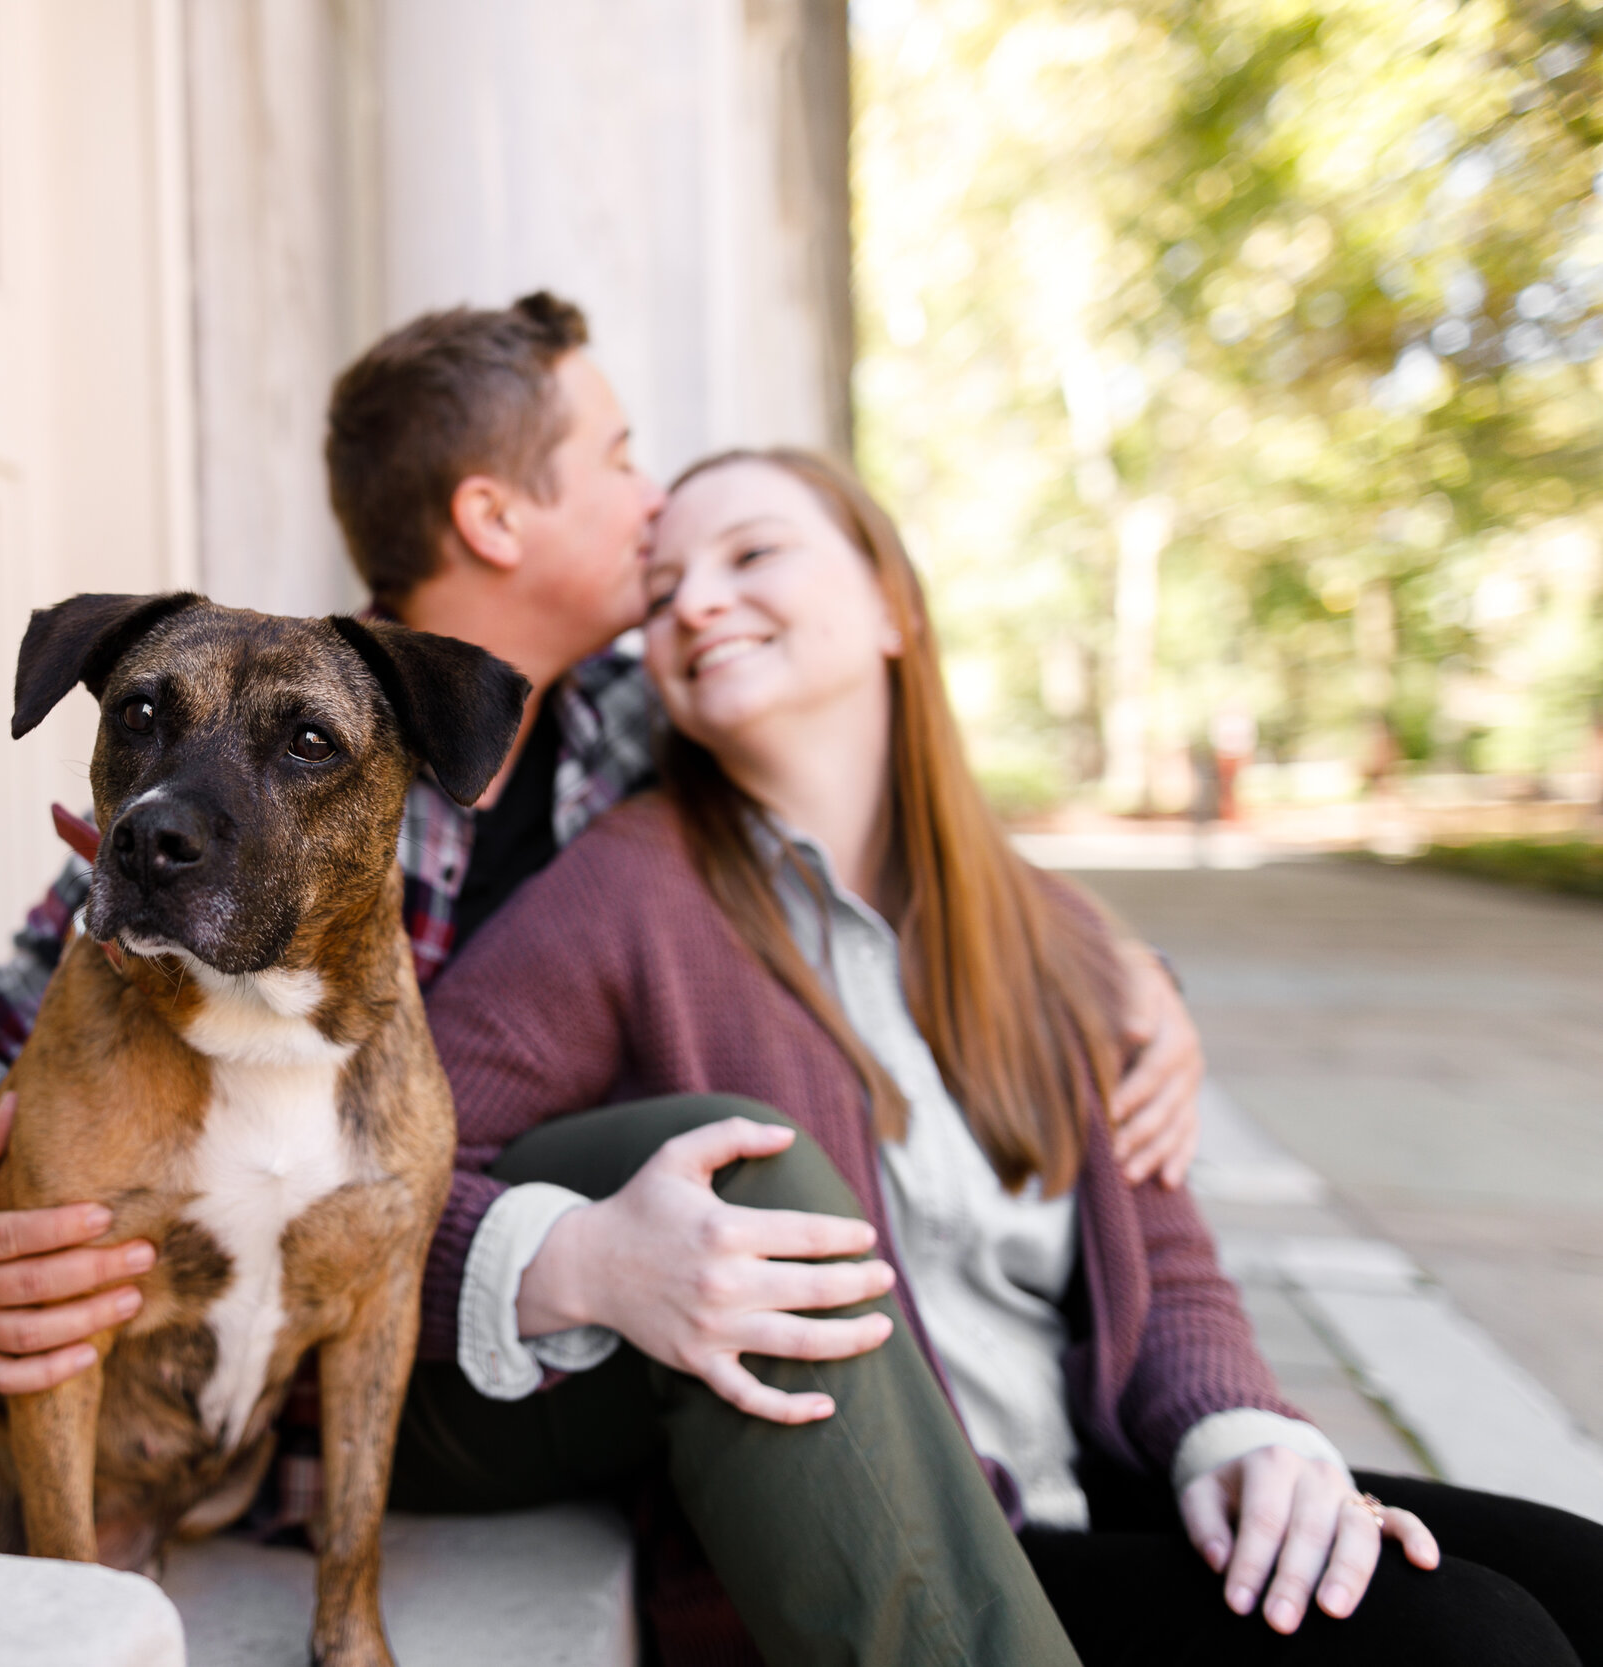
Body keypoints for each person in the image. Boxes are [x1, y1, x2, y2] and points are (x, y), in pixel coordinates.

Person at [0, 296, 1208, 1658]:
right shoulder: (254, 714)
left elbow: (863, 809)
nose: (653, 499)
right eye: (620, 456)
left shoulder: (644, 719)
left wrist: (1104, 962)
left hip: (444, 1286)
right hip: (381, 1308)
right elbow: (13, 1028)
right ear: (497, 517)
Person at [410, 446, 1603, 1664]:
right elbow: (374, 1175)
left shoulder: (1056, 930)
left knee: (1578, 1573)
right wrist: (591, 1253)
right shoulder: (624, 891)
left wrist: (1244, 1432)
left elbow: (1169, 1263)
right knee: (1468, 1639)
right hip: (910, 1533)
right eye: (661, 592)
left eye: (752, 553)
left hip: (1099, 1465)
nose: (697, 601)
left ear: (893, 603)